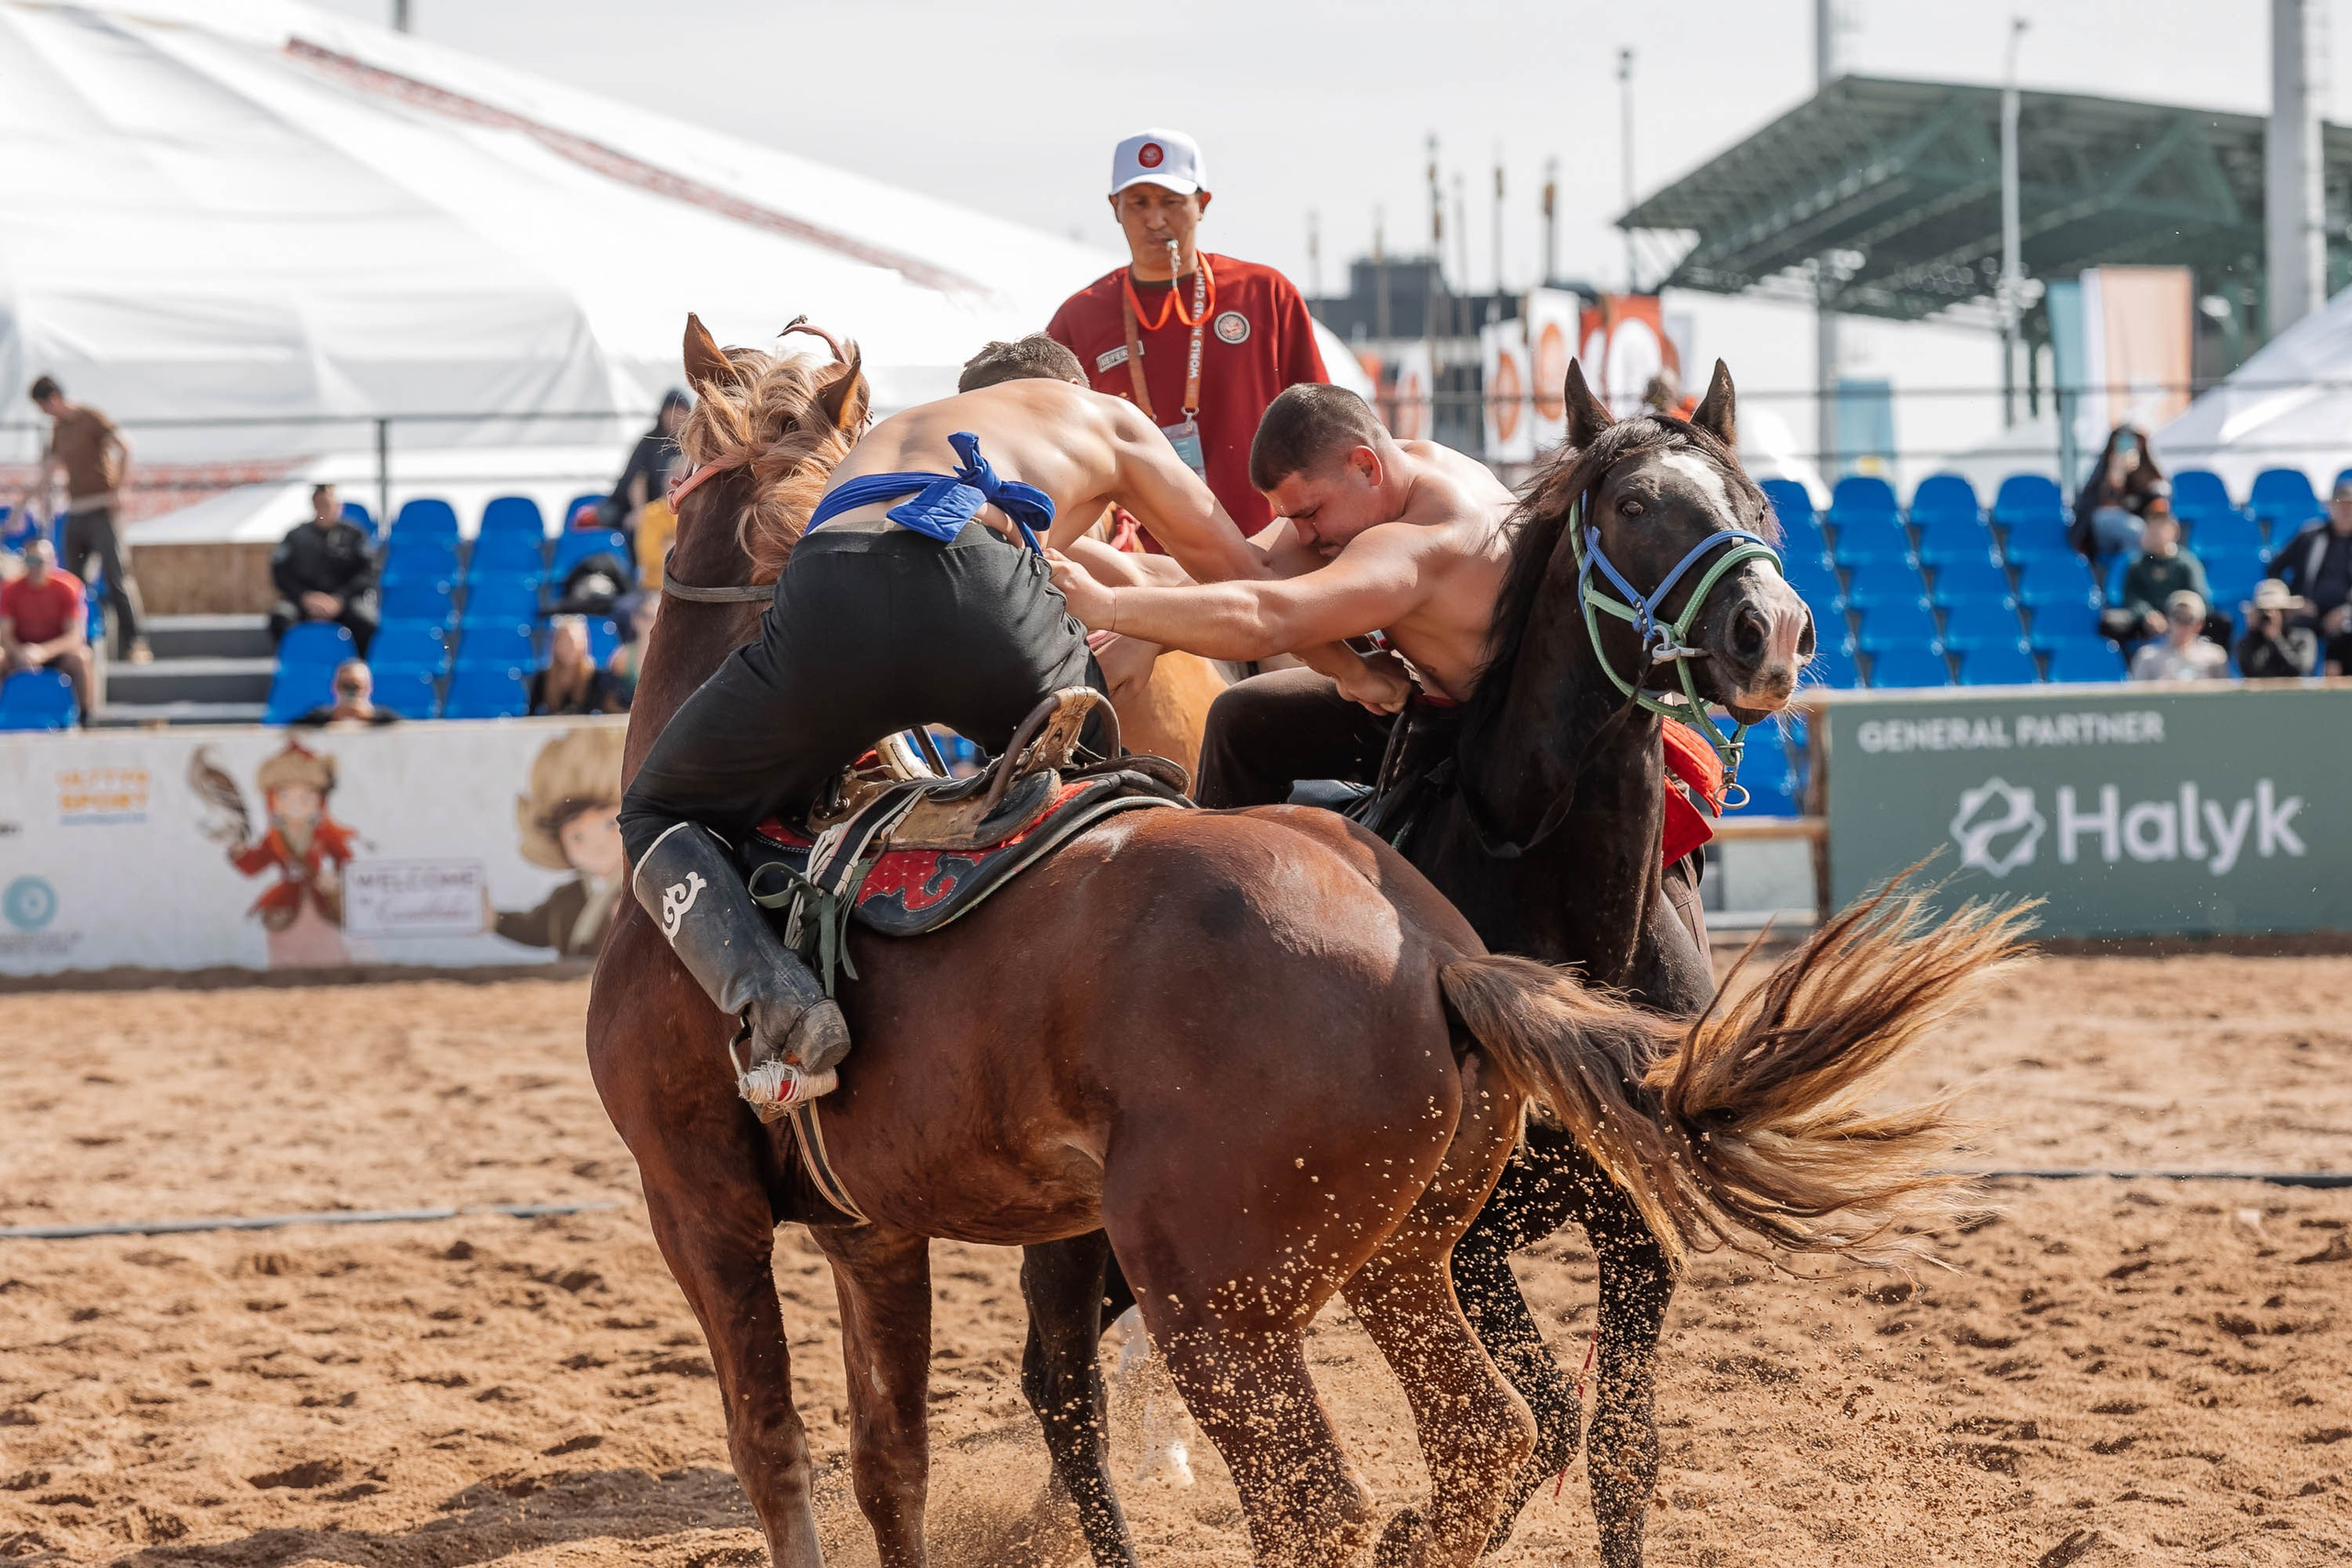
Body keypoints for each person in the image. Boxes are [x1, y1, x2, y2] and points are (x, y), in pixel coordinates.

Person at [618, 321, 1402, 1100]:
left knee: (655, 808)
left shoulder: (907, 427)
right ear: (1074, 391)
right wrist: (1351, 669)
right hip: (979, 589)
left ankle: (780, 1005)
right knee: (1113, 806)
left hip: (828, 593)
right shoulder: (1110, 421)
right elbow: (1245, 577)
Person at [1047, 382, 1515, 808]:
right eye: (1291, 518)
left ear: (1365, 466)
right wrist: (1145, 638)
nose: (1304, 537)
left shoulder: (1429, 534)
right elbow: (1256, 569)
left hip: (1491, 737)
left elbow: (1268, 616)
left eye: (1310, 514)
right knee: (1243, 716)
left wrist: (1107, 606)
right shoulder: (1406, 464)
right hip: (1417, 701)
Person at [1046, 129, 1328, 544]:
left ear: (1202, 205)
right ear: (1114, 208)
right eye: (1138, 203)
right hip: (1138, 563)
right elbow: (1054, 445)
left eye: (1172, 202)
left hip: (1266, 549)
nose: (1156, 220)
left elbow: (1321, 427)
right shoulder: (1080, 316)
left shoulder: (1264, 293)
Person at [20, 376, 148, 662]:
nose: (44, 413)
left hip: (102, 508)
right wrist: (22, 507)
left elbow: (125, 446)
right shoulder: (59, 429)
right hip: (76, 510)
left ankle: (136, 642)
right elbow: (48, 471)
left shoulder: (90, 417)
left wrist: (119, 489)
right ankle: (79, 644)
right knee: (73, 581)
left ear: (52, 398)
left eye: (43, 407)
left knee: (116, 577)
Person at [490, 726, 628, 958]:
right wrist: (494, 921)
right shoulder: (567, 897)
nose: (597, 842)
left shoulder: (642, 891)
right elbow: (535, 928)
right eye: (577, 836)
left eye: (610, 825)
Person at [269, 483, 379, 655]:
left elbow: (368, 572)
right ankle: (294, 665)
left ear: (338, 505)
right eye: (320, 504)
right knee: (281, 618)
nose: (325, 509)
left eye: (329, 503)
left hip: (344, 601)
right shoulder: (296, 536)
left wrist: (339, 599)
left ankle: (357, 670)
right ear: (313, 505)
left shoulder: (354, 534)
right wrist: (305, 597)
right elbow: (280, 573)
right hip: (304, 601)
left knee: (366, 621)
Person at [0, 537, 95, 719]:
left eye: (40, 561)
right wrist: (20, 652)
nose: (35, 567)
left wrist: (43, 652)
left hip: (56, 654)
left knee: (82, 657)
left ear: (52, 561)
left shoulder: (68, 587)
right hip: (21, 652)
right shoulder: (11, 590)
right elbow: (5, 635)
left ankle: (85, 717)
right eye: (30, 561)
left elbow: (75, 636)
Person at [2268, 476, 2352, 675]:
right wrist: (2293, 602)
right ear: (2330, 506)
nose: (2346, 511)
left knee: (2346, 636)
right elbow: (2274, 569)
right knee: (2291, 634)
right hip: (2307, 612)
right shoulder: (2310, 536)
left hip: (2345, 615)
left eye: (2350, 505)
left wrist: (2346, 612)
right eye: (2341, 505)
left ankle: (2339, 698)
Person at [2104, 502, 2209, 643]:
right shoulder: (2137, 564)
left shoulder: (2187, 563)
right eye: (2151, 527)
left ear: (2174, 531)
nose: (2155, 533)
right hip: (2145, 620)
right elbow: (2131, 596)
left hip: (2181, 619)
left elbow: (2197, 596)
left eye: (2160, 527)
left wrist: (2174, 618)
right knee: (2110, 625)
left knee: (2219, 623)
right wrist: (2147, 614)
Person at [2071, 424, 2167, 559]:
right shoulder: (2103, 473)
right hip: (2100, 535)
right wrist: (2116, 476)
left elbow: (2159, 505)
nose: (2126, 448)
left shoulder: (2148, 474)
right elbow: (2101, 507)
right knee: (2134, 530)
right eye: (2121, 442)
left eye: (2131, 442)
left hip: (2144, 532)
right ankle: (2128, 574)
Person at [529, 615, 624, 716]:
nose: (569, 646)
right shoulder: (543, 678)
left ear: (583, 643)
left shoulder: (597, 677)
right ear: (554, 644)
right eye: (563, 641)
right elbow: (531, 715)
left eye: (573, 641)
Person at [2128, 590, 2228, 682]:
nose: (2182, 624)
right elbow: (2136, 697)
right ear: (2167, 619)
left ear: (2199, 624)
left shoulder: (2215, 658)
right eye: (2177, 616)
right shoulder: (2147, 657)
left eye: (2188, 618)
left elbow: (2225, 698)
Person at [2234, 579, 2319, 679]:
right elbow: (2249, 671)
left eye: (2277, 610)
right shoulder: (2250, 640)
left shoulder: (2304, 637)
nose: (2268, 615)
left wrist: (2276, 639)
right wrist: (2252, 632)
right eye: (2263, 610)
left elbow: (2300, 671)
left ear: (2286, 612)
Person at [293, 660, 400, 728]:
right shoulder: (318, 715)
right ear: (334, 686)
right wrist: (331, 717)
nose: (350, 691)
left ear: (369, 687)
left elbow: (408, 729)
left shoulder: (386, 716)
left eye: (356, 685)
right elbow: (290, 729)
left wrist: (370, 717)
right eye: (345, 685)